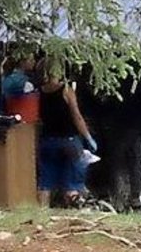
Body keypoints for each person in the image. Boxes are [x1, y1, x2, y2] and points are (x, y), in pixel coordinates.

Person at [36, 60, 97, 207]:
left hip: (47, 141)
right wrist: (88, 137)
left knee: (45, 183)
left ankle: (41, 213)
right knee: (72, 181)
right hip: (68, 142)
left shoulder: (39, 92)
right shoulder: (66, 90)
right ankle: (72, 210)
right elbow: (77, 117)